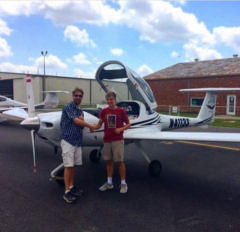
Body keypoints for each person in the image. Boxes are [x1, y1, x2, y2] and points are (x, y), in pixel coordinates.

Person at [91, 91, 130, 193]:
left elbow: (128, 124)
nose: (109, 101)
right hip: (107, 140)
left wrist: (121, 129)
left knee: (119, 162)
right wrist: (92, 128)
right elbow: (99, 124)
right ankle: (109, 183)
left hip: (118, 140)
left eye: (111, 99)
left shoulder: (121, 111)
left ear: (115, 99)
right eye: (108, 99)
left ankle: (123, 184)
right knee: (108, 162)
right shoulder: (104, 111)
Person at [60, 87, 94, 203]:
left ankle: (71, 187)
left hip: (77, 142)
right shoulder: (68, 107)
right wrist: (92, 126)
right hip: (68, 141)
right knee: (68, 166)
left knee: (73, 166)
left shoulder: (80, 111)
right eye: (76, 95)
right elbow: (77, 121)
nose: (78, 97)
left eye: (80, 96)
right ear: (73, 96)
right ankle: (66, 192)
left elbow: (81, 125)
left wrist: (82, 121)